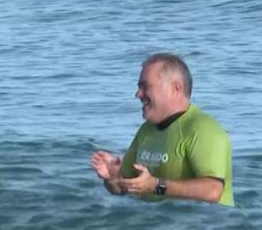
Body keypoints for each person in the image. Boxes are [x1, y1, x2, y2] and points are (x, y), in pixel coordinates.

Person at [91, 53, 234, 206]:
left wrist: (155, 186)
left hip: (206, 225)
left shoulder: (203, 129)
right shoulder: (146, 131)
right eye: (139, 87)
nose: (138, 94)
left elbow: (212, 191)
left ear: (175, 88)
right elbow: (122, 187)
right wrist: (111, 177)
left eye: (145, 86)